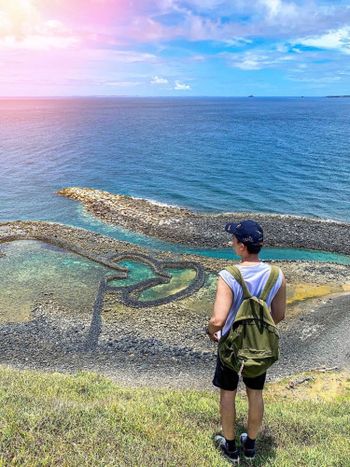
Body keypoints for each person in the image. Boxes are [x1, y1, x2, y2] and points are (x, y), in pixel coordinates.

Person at [207, 220, 286, 464]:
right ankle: (250, 446)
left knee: (228, 393)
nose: (231, 242)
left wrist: (210, 330)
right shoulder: (276, 275)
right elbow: (279, 315)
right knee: (255, 393)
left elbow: (219, 320)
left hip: (231, 347)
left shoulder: (229, 275)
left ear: (242, 246)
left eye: (233, 240)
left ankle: (230, 448)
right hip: (259, 347)